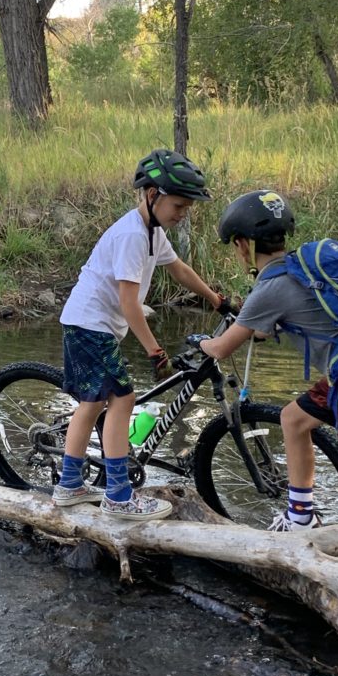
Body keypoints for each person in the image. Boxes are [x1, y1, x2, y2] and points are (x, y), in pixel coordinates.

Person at [194, 189, 338, 586]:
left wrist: (200, 343)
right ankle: (300, 514)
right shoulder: (298, 268)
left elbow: (222, 348)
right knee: (293, 419)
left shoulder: (270, 288)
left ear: (242, 244)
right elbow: (284, 320)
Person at [54, 149, 233, 520]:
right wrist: (154, 350)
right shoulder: (132, 236)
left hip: (91, 324)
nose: (182, 213)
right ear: (152, 195)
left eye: (187, 207)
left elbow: (179, 269)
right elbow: (129, 301)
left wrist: (216, 299)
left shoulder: (152, 231)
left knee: (93, 404)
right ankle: (118, 496)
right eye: (179, 205)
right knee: (123, 398)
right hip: (91, 325)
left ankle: (69, 485)